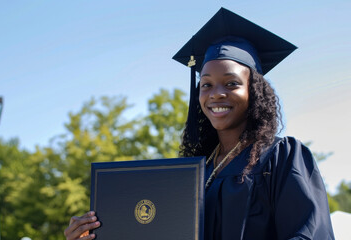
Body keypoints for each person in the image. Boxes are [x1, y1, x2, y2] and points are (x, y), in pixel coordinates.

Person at [64, 8, 335, 240]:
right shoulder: (192, 173)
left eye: (231, 83)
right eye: (206, 85)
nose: (216, 93)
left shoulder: (282, 157)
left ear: (255, 92)